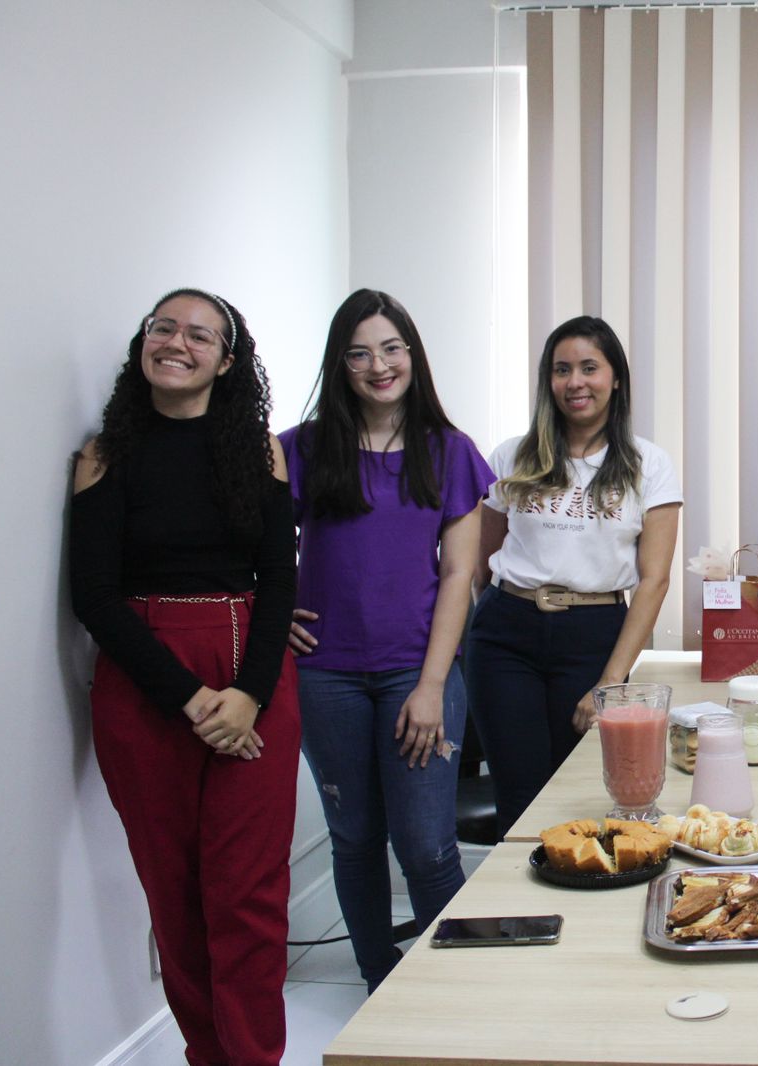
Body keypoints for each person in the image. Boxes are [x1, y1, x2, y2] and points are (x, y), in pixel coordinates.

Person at [70, 289, 299, 1066]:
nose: (176, 342)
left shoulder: (258, 451)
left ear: (226, 362)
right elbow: (94, 598)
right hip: (147, 686)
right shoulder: (103, 456)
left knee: (249, 895)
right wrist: (194, 700)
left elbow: (279, 579)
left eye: (200, 335)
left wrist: (249, 694)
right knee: (175, 899)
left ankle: (254, 1057)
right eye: (163, 328)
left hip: (250, 674)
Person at [279, 289, 494, 992]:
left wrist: (432, 685)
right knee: (355, 840)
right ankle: (380, 981)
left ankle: (451, 994)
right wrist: (271, 611)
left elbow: (460, 573)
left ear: (412, 354)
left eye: (392, 348)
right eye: (360, 353)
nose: (379, 366)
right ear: (340, 364)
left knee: (427, 848)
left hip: (416, 671)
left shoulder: (450, 451)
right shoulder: (303, 448)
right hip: (325, 674)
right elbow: (252, 545)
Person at [467, 316, 682, 836]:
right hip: (506, 634)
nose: (575, 382)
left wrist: (610, 682)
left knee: (582, 795)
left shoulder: (648, 464)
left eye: (589, 367)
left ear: (615, 378)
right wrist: (496, 613)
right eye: (562, 370)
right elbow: (481, 559)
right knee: (518, 797)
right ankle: (521, 893)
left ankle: (576, 889)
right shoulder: (512, 456)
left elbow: (654, 581)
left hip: (594, 636)